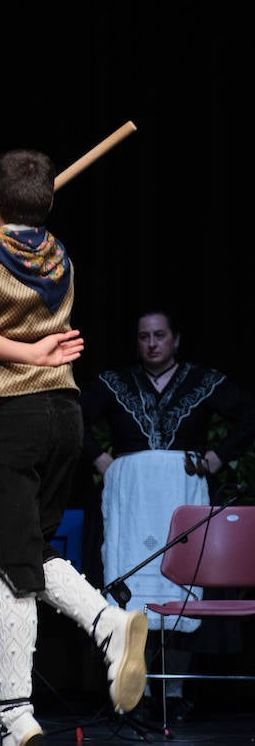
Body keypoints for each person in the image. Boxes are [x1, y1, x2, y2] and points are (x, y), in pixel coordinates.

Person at [0, 148, 149, 746]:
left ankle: (102, 632)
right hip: (65, 413)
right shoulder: (59, 254)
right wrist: (44, 350)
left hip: (16, 416)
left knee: (15, 562)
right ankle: (18, 715)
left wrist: (26, 350)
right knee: (21, 560)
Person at [80, 306, 255, 719]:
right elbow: (73, 417)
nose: (152, 344)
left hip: (182, 492)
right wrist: (100, 459)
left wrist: (218, 457)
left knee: (182, 588)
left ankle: (173, 692)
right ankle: (131, 692)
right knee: (132, 587)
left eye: (160, 335)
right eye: (144, 336)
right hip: (132, 497)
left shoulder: (201, 380)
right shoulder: (117, 382)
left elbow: (249, 414)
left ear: (176, 338)